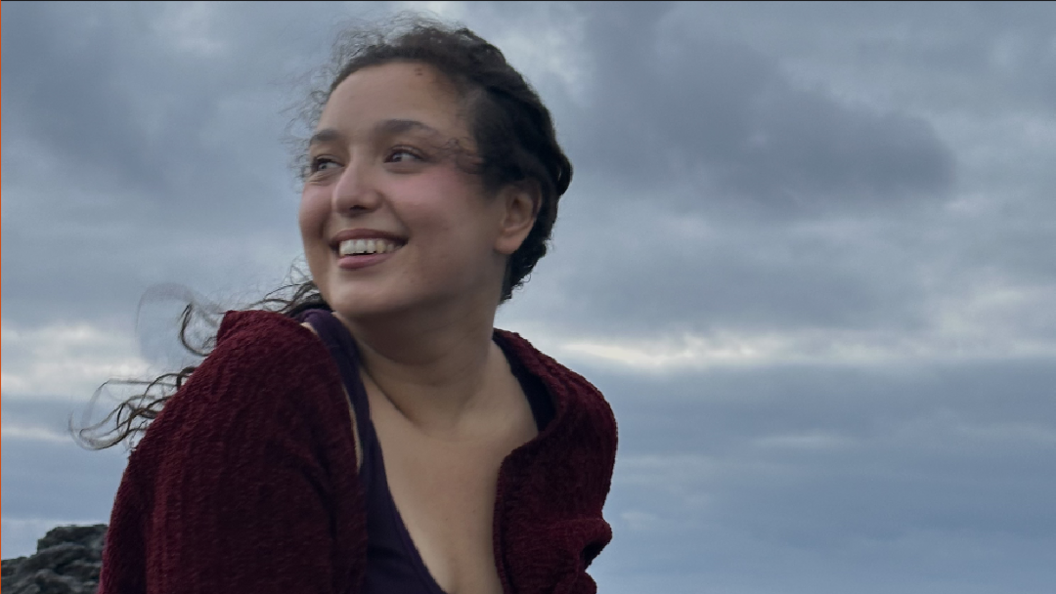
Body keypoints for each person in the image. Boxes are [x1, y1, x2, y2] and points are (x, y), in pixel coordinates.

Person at [92, 13, 617, 594]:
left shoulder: (566, 420)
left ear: (514, 211)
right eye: (325, 164)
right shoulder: (263, 391)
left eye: (402, 155)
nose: (347, 193)